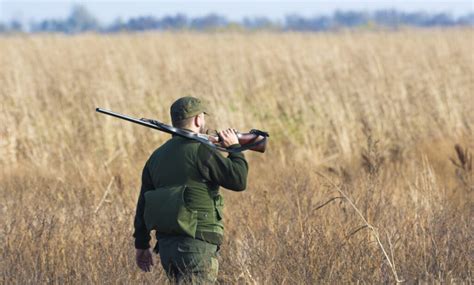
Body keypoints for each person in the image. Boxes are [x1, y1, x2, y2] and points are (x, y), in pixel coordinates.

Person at [133, 96, 249, 283]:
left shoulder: (156, 157)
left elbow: (143, 204)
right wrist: (235, 148)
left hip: (167, 248)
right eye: (203, 116)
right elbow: (238, 180)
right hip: (197, 244)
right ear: (198, 120)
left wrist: (141, 244)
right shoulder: (201, 150)